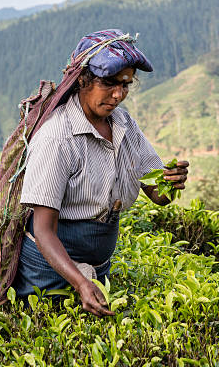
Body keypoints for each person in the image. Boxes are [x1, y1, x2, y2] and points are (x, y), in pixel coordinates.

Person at [12, 29, 189, 316]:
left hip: (95, 272)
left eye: (125, 84)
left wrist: (170, 182)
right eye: (108, 83)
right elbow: (44, 232)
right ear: (82, 79)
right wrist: (81, 282)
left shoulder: (123, 123)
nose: (118, 95)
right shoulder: (58, 138)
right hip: (48, 272)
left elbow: (157, 195)